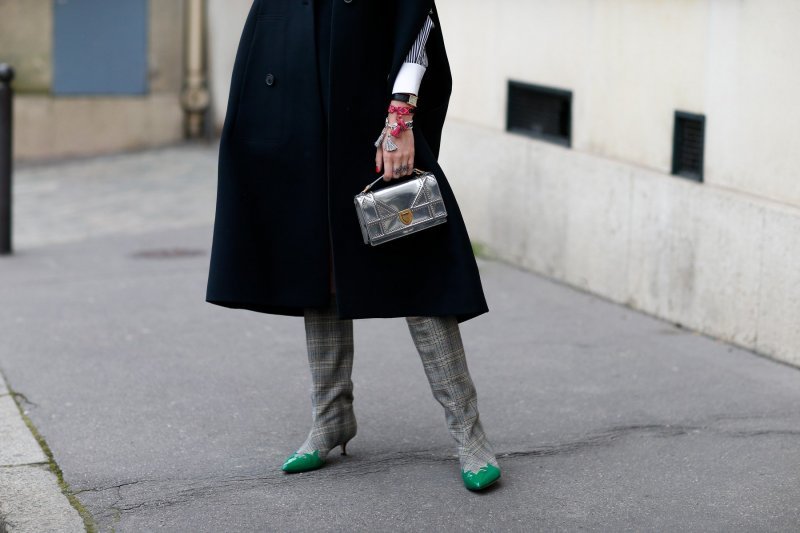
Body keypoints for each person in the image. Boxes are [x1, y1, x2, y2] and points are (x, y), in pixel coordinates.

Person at [206, 0, 501, 491]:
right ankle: (331, 419)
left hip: (375, 126)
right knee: (316, 270)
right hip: (301, 129)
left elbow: (415, 26)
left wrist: (400, 119)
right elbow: (267, 37)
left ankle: (469, 435)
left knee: (419, 269)